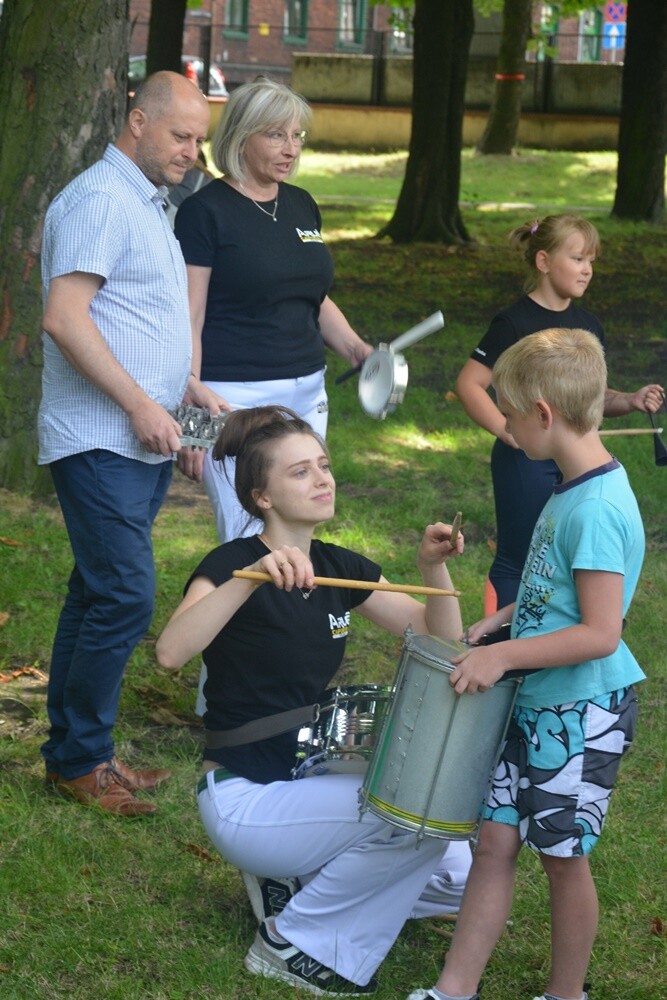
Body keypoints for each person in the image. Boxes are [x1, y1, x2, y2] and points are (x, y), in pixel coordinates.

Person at [156, 405, 471, 996]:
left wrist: (433, 569)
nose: (322, 478)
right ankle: (291, 943)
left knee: (460, 875)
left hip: (303, 778)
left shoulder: (335, 566)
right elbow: (172, 652)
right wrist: (249, 576)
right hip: (243, 797)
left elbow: (440, 640)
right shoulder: (230, 565)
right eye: (300, 472)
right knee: (417, 817)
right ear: (262, 496)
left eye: (323, 466)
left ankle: (300, 886)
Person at [408, 328, 646, 1000]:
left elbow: (600, 632)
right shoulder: (568, 486)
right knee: (493, 844)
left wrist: (504, 656)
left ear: (541, 415)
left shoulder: (595, 507)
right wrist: (505, 619)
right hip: (536, 699)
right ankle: (453, 989)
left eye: (509, 415)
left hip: (578, 710)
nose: (504, 428)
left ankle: (566, 994)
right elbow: (560, 596)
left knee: (561, 859)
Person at [38, 71, 221, 817]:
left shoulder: (149, 203)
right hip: (100, 437)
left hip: (141, 433)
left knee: (94, 592)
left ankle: (81, 756)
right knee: (124, 594)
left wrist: (184, 392)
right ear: (137, 122)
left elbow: (136, 315)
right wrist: (142, 402)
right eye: (180, 135)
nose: (191, 152)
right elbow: (65, 317)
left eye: (199, 139)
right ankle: (81, 761)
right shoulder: (98, 199)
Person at [173, 76, 372, 541]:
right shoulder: (205, 211)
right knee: (248, 536)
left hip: (307, 394)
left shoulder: (302, 205)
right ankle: (243, 615)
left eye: (298, 135)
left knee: (300, 529)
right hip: (233, 400)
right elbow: (190, 317)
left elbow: (312, 296)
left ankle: (293, 615)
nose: (291, 148)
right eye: (276, 134)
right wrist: (194, 427)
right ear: (242, 137)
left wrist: (357, 349)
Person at [455, 214, 664, 612]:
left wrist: (631, 400)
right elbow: (469, 384)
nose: (587, 270)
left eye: (591, 261)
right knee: (523, 555)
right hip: (525, 460)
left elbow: (591, 400)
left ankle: (560, 632)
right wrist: (505, 429)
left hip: (574, 460)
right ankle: (504, 644)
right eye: (578, 259)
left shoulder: (588, 325)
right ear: (544, 262)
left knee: (566, 554)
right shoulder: (514, 322)